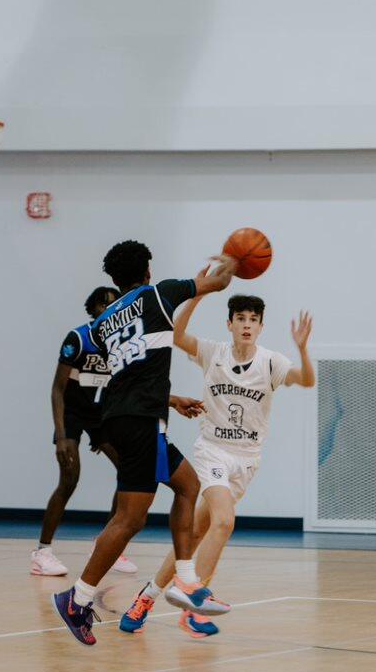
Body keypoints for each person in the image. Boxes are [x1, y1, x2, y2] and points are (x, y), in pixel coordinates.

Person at [52, 241, 236, 645]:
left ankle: (185, 580)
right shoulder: (159, 293)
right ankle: (77, 599)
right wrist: (233, 258)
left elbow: (131, 372)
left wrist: (171, 399)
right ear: (148, 271)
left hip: (126, 417)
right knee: (129, 520)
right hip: (140, 423)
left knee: (187, 485)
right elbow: (219, 282)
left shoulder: (103, 323)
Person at [119, 284, 314, 638]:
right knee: (224, 521)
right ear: (229, 324)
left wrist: (302, 349)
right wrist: (197, 296)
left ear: (261, 326)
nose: (246, 324)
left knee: (195, 535)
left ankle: (146, 597)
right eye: (240, 318)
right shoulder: (214, 352)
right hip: (213, 451)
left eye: (253, 319)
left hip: (246, 460)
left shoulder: (271, 362)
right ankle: (195, 603)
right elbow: (178, 336)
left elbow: (307, 380)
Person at [31, 286, 140, 576]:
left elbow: (116, 386)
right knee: (70, 478)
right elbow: (57, 389)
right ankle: (42, 552)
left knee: (128, 471)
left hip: (101, 415)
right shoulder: (78, 339)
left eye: (116, 304)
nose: (111, 309)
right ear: (94, 309)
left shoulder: (119, 342)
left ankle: (105, 543)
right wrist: (61, 436)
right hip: (72, 414)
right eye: (106, 304)